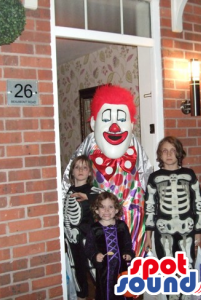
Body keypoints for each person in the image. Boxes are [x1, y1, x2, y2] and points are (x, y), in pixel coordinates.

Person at [62, 85, 153, 257]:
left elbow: (148, 180)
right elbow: (70, 174)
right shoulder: (90, 143)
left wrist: (152, 220)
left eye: (121, 119)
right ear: (94, 123)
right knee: (104, 258)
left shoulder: (135, 146)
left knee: (133, 257)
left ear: (132, 124)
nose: (114, 127)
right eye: (106, 119)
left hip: (133, 214)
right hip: (101, 215)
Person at [144, 136, 201, 271]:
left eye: (173, 150)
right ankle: (170, 291)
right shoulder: (154, 177)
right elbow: (150, 207)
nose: (169, 154)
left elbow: (198, 202)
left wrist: (199, 231)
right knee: (166, 268)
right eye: (165, 151)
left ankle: (186, 291)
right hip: (163, 229)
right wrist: (148, 235)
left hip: (187, 228)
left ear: (179, 153)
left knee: (187, 266)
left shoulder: (189, 174)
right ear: (160, 155)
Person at [85, 191, 135, 300]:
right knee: (105, 292)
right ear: (96, 210)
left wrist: (128, 253)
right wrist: (95, 255)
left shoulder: (121, 226)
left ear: (116, 210)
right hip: (104, 270)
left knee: (123, 292)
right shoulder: (94, 228)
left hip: (121, 268)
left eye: (110, 207)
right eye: (102, 207)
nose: (106, 210)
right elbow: (89, 247)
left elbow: (127, 243)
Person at [64, 155, 98, 300]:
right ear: (72, 172)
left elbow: (107, 200)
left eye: (85, 168)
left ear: (90, 172)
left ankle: (108, 293)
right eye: (77, 167)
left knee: (94, 267)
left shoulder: (93, 190)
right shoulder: (68, 191)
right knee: (76, 269)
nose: (80, 170)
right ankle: (81, 296)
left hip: (87, 236)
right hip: (71, 239)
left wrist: (88, 197)